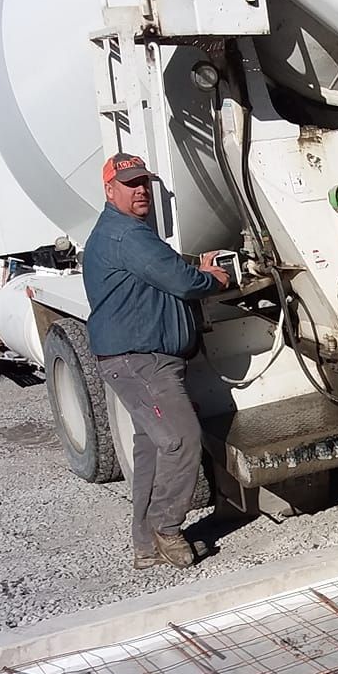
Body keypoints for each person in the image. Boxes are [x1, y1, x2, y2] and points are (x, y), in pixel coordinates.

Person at [83, 153, 230, 570]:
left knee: (150, 450)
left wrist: (191, 267)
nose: (141, 190)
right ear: (110, 190)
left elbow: (162, 270)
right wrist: (211, 278)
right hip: (140, 362)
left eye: (144, 181)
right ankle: (167, 528)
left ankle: (145, 546)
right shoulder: (126, 235)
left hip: (139, 359)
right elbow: (182, 282)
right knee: (181, 439)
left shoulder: (127, 233)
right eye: (130, 184)